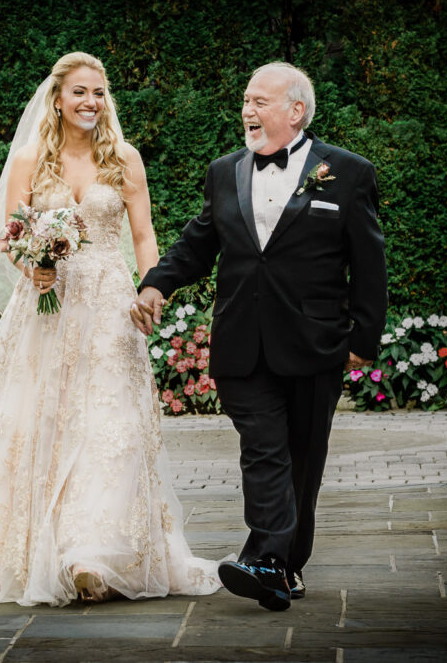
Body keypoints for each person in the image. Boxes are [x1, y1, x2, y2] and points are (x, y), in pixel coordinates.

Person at [0, 53, 221, 606]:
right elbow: (11, 235)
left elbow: (145, 234)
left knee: (113, 425)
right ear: (57, 99)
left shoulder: (125, 160)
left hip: (109, 306)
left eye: (99, 93)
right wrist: (29, 264)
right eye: (80, 92)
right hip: (46, 309)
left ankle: (91, 553)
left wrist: (152, 289)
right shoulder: (32, 158)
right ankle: (42, 546)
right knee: (42, 425)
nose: (90, 102)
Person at [132, 62, 387, 611]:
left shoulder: (348, 172)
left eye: (260, 101)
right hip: (242, 341)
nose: (248, 111)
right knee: (264, 449)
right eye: (245, 101)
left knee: (303, 457)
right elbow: (200, 242)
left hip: (315, 342)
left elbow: (370, 263)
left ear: (296, 111)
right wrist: (157, 284)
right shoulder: (224, 171)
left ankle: (284, 567)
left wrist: (363, 340)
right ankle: (266, 558)